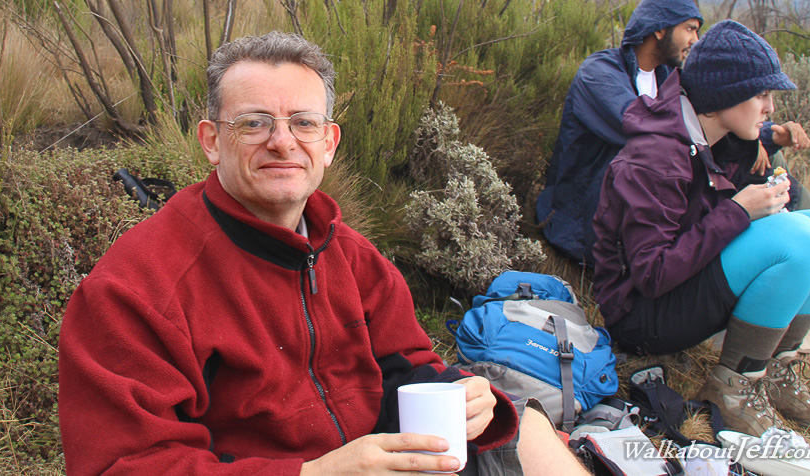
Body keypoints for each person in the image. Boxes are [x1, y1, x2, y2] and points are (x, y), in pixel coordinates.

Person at [57, 32, 588, 475]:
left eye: (303, 123)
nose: (283, 142)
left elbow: (404, 365)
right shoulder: (136, 289)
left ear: (329, 143)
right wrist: (316, 473)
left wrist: (457, 392)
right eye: (254, 122)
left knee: (529, 426)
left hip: (386, 459)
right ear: (211, 140)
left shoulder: (352, 255)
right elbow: (124, 464)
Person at [592, 20, 810, 438]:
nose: (770, 108)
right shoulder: (655, 156)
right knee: (799, 239)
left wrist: (758, 189)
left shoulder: (717, 136)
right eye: (761, 94)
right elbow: (651, 275)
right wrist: (740, 212)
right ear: (724, 93)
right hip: (642, 318)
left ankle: (775, 373)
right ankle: (733, 389)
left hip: (681, 291)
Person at [536, 0, 810, 265]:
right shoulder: (598, 74)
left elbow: (701, 127)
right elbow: (649, 129)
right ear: (659, 28)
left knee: (774, 169)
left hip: (652, 201)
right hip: (591, 216)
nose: (695, 40)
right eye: (690, 28)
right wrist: (755, 140)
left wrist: (766, 138)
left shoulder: (668, 77)